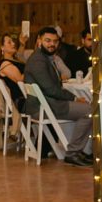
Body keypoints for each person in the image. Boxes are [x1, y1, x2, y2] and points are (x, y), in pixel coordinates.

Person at [23, 26, 93, 168]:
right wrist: (74, 98)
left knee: (88, 108)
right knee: (90, 111)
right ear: (39, 41)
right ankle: (73, 153)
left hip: (47, 104)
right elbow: (50, 89)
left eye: (55, 41)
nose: (52, 44)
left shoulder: (45, 58)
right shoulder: (38, 61)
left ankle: (78, 151)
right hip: (44, 106)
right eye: (48, 41)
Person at [0, 34, 27, 137]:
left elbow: (20, 62)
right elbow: (20, 80)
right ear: (2, 48)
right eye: (9, 42)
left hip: (27, 94)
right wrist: (32, 67)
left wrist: (22, 44)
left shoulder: (14, 60)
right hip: (21, 99)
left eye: (13, 41)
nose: (13, 43)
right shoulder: (4, 64)